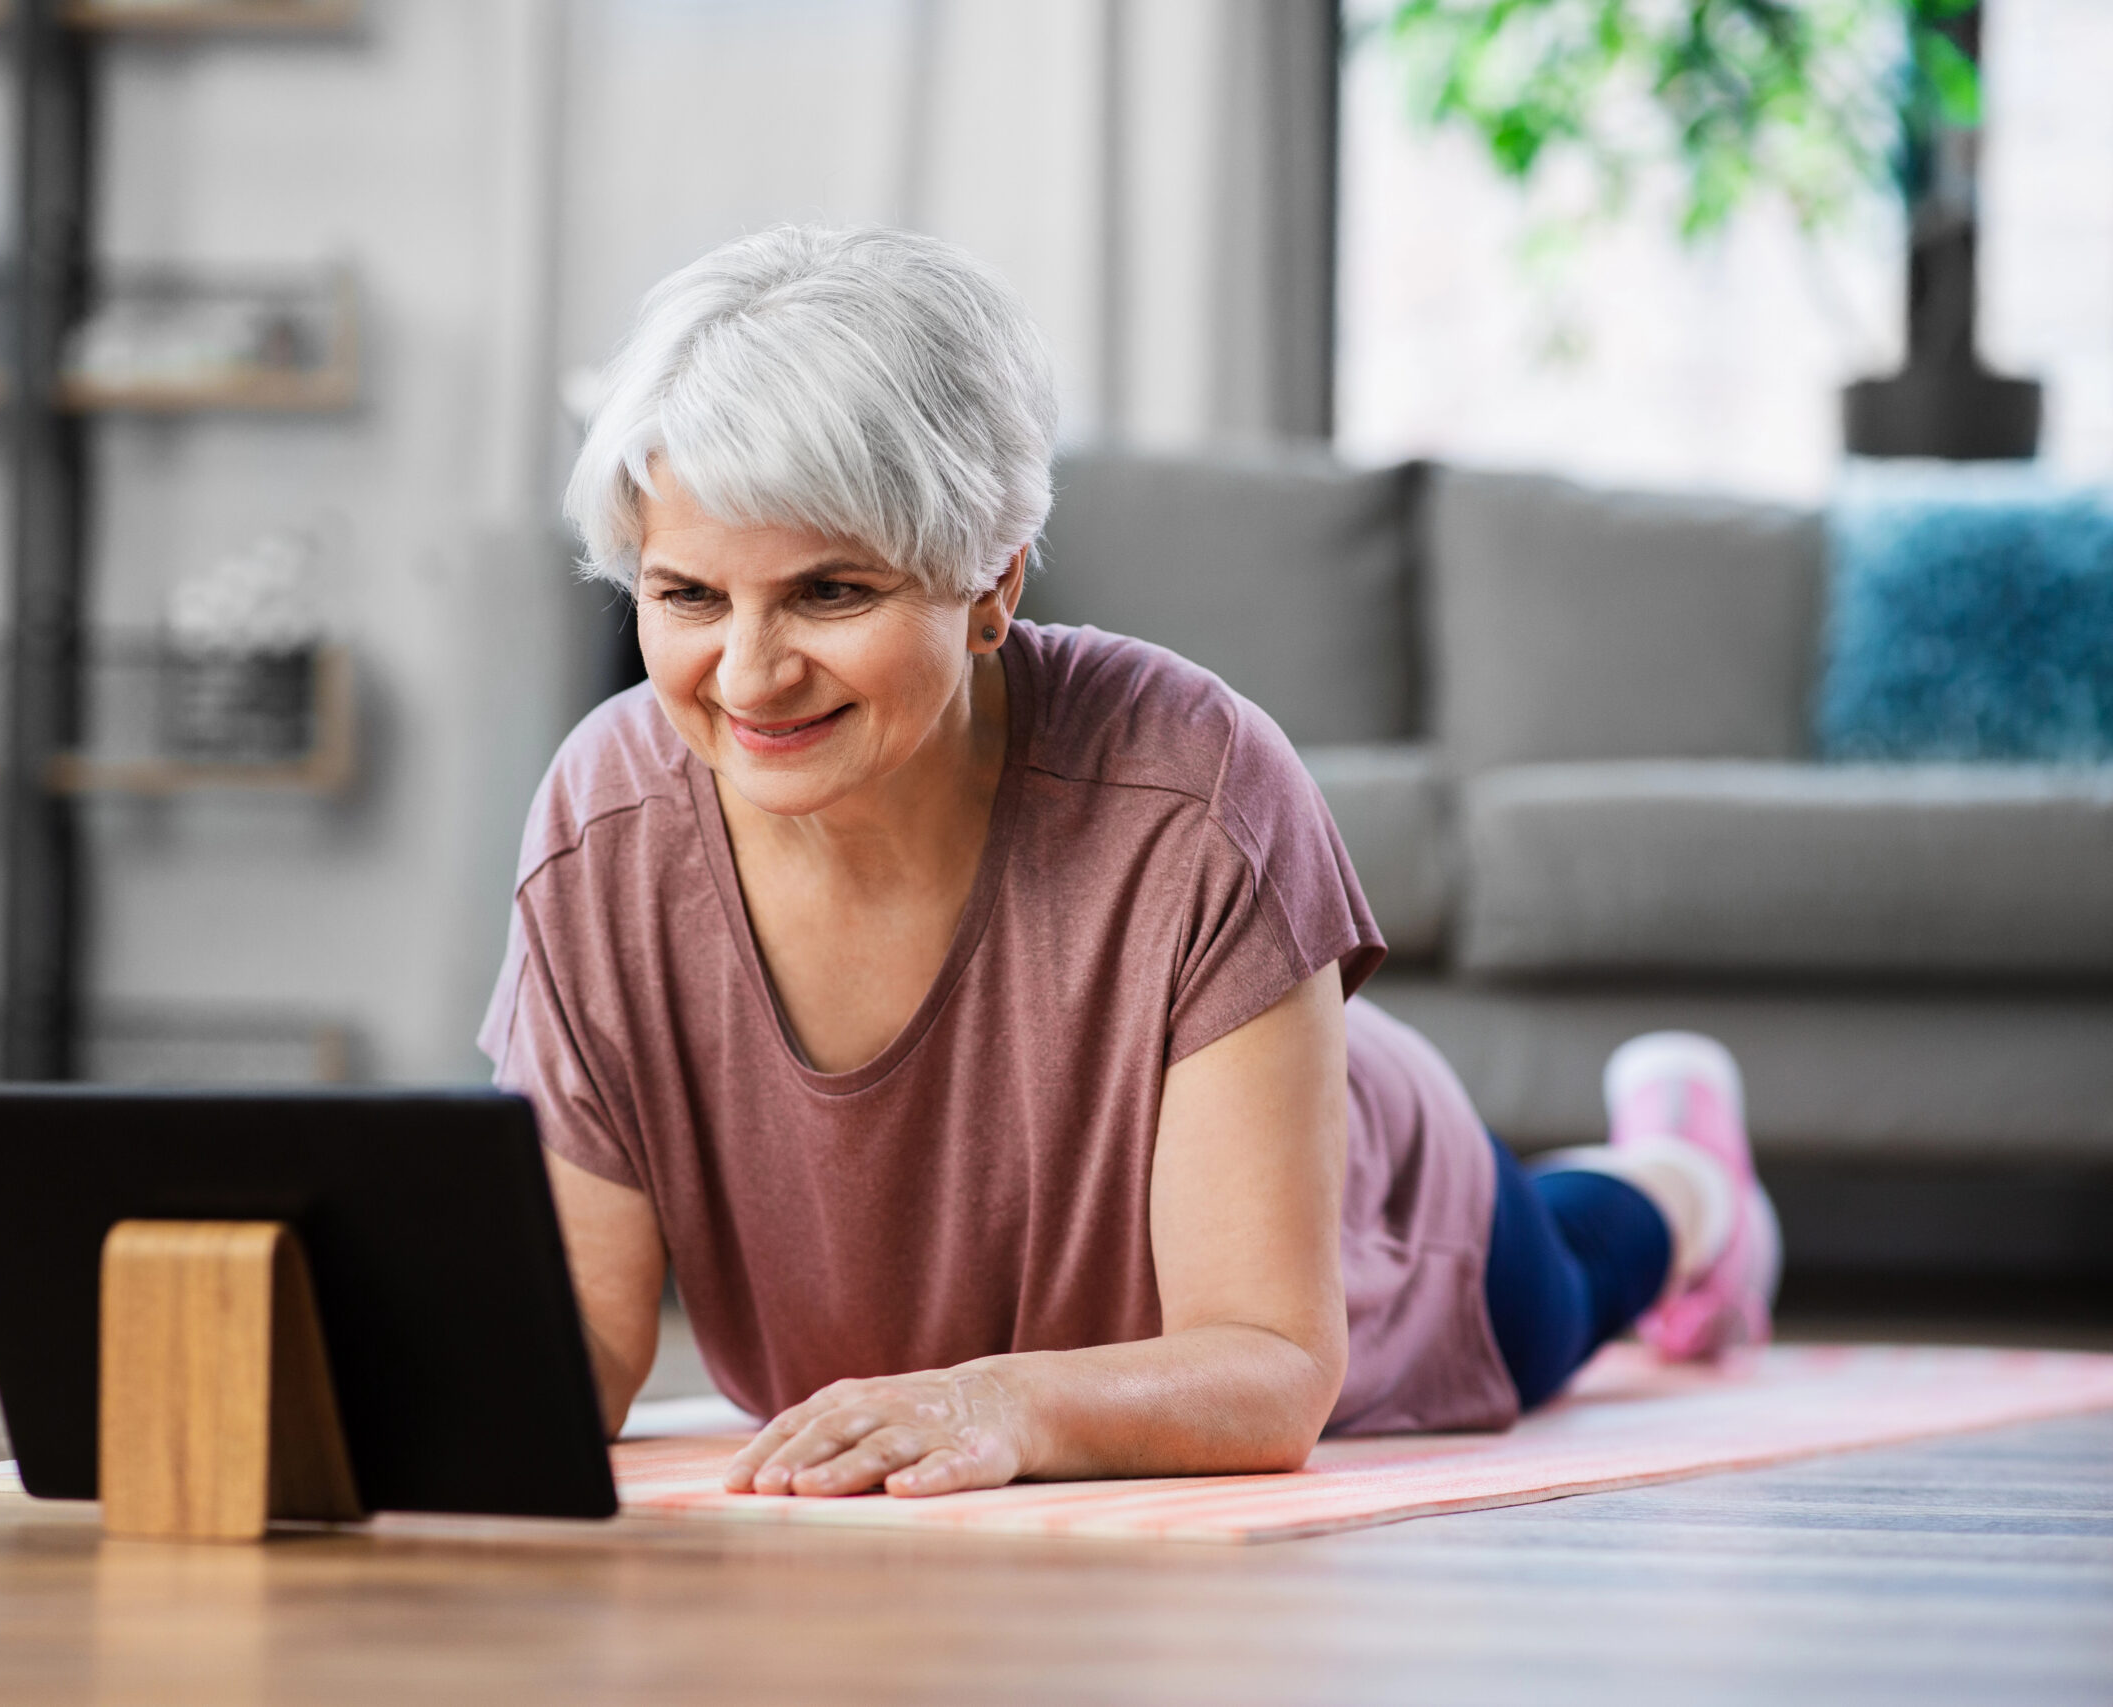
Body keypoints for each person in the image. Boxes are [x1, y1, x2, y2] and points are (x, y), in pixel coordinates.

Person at [481, 226, 1779, 1500]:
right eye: (690, 597)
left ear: (993, 583)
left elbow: (1270, 1368)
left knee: (1578, 1267)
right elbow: (582, 1347)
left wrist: (994, 1399)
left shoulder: (1195, 784)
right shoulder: (607, 822)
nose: (750, 674)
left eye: (833, 593)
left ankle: (1689, 1177)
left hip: (1357, 1188)